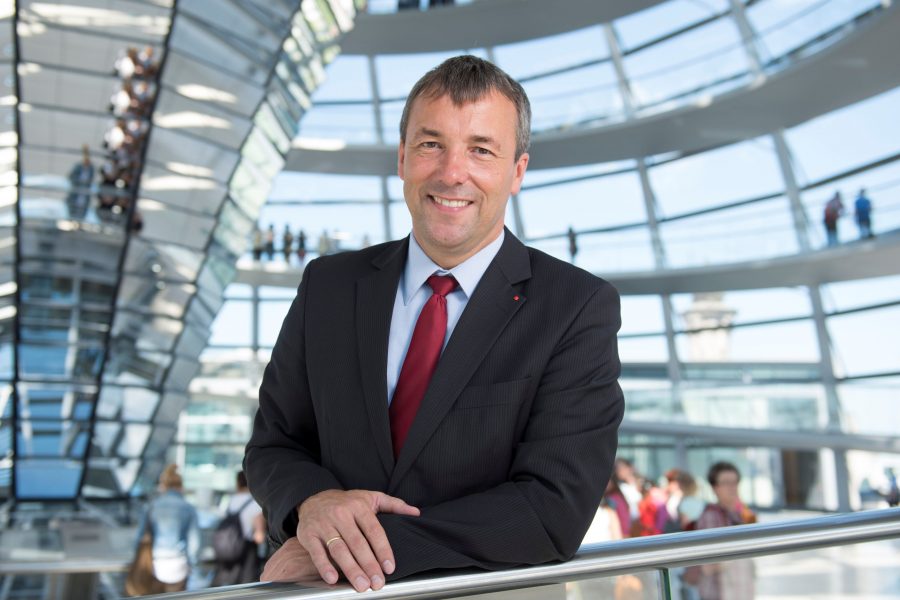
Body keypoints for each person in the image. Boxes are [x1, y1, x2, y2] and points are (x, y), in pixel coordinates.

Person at [245, 55, 624, 592]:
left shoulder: (575, 307)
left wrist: (360, 549)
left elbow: (551, 508)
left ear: (516, 171)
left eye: (481, 150)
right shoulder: (328, 286)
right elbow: (275, 445)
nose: (451, 172)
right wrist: (315, 502)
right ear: (402, 158)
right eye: (431, 145)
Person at [689, 462, 756, 600]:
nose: (732, 487)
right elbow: (708, 564)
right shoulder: (711, 516)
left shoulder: (738, 514)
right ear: (715, 487)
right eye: (726, 482)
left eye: (735, 482)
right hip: (719, 592)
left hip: (738, 591)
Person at [133, 464, 200, 593]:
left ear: (164, 486)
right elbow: (194, 543)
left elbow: (140, 537)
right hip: (178, 565)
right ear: (181, 487)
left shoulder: (152, 506)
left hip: (156, 564)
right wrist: (192, 564)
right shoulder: (188, 508)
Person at [212, 471, 267, 586]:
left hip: (228, 552)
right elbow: (259, 537)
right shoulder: (256, 503)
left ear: (237, 483)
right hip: (247, 556)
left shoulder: (229, 501)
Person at [66, 144, 94, 220]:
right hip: (77, 192)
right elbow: (70, 176)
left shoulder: (91, 168)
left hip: (84, 194)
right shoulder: (78, 166)